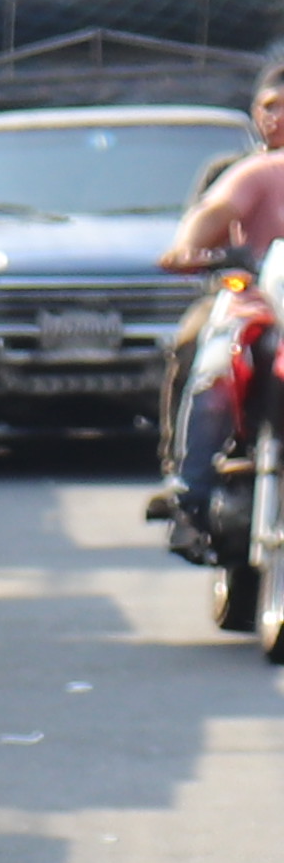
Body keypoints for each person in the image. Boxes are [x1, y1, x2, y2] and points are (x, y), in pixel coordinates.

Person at [152, 59, 284, 543]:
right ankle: (188, 484)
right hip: (253, 302)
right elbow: (214, 211)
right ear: (255, 112)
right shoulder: (246, 171)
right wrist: (187, 248)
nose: (279, 118)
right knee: (206, 356)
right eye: (271, 107)